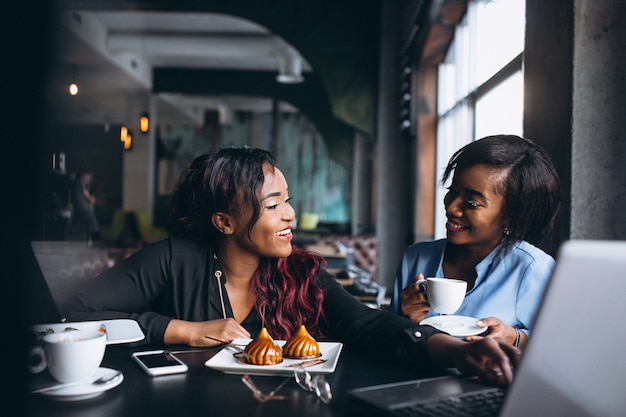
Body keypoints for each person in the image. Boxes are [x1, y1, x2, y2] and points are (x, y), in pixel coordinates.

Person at [62, 146, 519, 385]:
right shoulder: (173, 258)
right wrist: (179, 329)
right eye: (273, 204)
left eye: (288, 201)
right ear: (224, 221)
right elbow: (73, 315)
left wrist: (455, 351)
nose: (289, 216)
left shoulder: (301, 272)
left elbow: (370, 327)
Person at [390, 135, 561, 349]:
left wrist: (514, 337)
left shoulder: (532, 269)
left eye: (472, 203)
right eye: (453, 191)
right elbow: (386, 342)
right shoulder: (415, 258)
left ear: (512, 215)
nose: (452, 207)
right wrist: (402, 322)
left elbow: (558, 348)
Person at [71, 169, 99, 241]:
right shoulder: (80, 185)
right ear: (81, 177)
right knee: (93, 226)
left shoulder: (79, 185)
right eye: (86, 177)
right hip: (84, 211)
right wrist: (91, 199)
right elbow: (90, 198)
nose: (88, 179)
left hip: (79, 210)